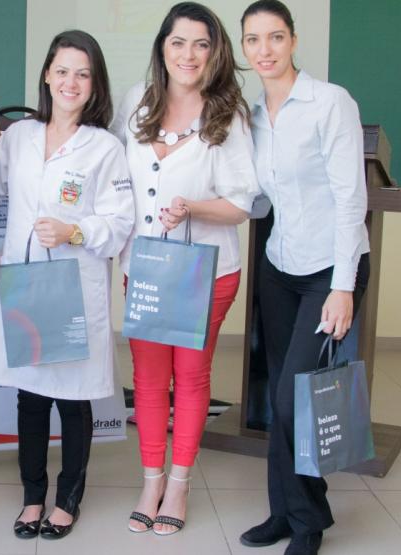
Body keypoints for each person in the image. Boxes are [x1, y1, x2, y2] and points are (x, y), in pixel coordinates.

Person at [110, 1, 259, 536]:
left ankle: (179, 482)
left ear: (214, 52)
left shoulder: (229, 113)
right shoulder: (135, 103)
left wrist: (192, 207)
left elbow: (242, 201)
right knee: (148, 379)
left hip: (207, 270)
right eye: (178, 42)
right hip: (146, 269)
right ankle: (150, 479)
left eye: (201, 43)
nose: (188, 54)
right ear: (162, 48)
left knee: (191, 378)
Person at [0, 30, 134, 540]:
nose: (71, 82)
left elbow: (120, 221)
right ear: (47, 74)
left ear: (95, 84)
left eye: (83, 73)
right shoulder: (19, 137)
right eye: (63, 70)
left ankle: (67, 499)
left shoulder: (105, 147)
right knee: (29, 397)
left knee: (72, 398)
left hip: (72, 285)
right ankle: (31, 496)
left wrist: (76, 230)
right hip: (26, 283)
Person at [238, 2, 370, 554]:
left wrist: (342, 287)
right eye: (252, 40)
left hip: (329, 271)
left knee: (298, 401)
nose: (264, 49)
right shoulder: (252, 114)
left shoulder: (330, 103)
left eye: (275, 37)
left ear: (293, 40)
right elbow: (260, 196)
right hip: (280, 265)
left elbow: (350, 199)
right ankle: (284, 513)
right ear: (243, 48)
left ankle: (309, 521)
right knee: (278, 395)